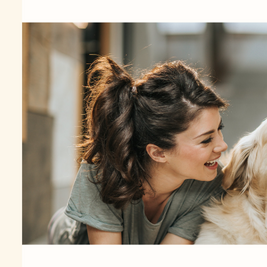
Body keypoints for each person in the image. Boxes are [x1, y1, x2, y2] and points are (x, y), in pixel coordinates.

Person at [47, 56, 229, 244]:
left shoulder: (212, 183)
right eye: (206, 140)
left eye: (219, 130)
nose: (223, 145)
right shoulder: (101, 175)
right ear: (158, 152)